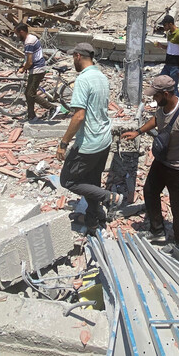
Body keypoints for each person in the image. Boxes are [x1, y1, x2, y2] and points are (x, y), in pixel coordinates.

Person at [122, 75, 179, 251]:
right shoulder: (163, 107)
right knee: (149, 191)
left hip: (178, 168)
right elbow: (157, 120)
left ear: (166, 94)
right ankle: (157, 230)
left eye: (156, 95)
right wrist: (138, 132)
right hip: (161, 162)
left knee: (177, 205)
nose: (153, 99)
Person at [57, 43, 122, 235]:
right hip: (104, 139)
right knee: (91, 183)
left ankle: (108, 197)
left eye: (73, 58)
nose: (73, 61)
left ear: (78, 56)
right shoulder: (101, 76)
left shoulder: (83, 80)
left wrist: (63, 142)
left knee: (68, 180)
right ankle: (95, 219)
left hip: (88, 143)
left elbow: (79, 116)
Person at [14, 24, 60, 121]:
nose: (17, 36)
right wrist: (23, 65)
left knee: (30, 94)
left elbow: (30, 61)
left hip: (37, 70)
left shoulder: (29, 42)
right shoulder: (30, 39)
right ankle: (31, 115)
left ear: (22, 32)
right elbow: (28, 59)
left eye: (17, 34)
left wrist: (23, 69)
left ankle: (53, 108)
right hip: (36, 69)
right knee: (28, 93)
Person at [154, 15, 179, 97]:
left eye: (165, 25)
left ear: (170, 24)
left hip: (175, 66)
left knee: (173, 88)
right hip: (167, 64)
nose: (164, 27)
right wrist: (161, 46)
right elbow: (170, 47)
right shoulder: (169, 34)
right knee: (161, 82)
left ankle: (177, 106)